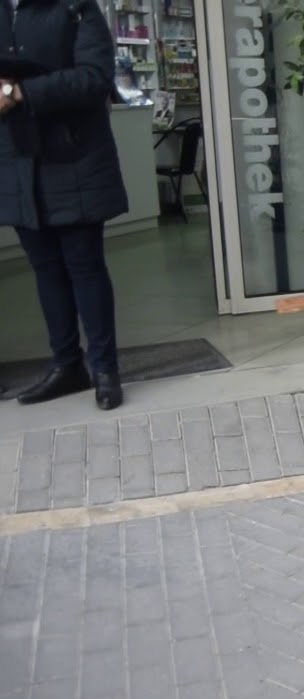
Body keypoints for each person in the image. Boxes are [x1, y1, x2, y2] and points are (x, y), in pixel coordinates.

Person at [1, 0, 128, 410]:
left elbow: (95, 78)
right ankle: (67, 366)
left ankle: (105, 369)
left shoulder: (74, 7)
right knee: (45, 268)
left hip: (74, 158)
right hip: (17, 161)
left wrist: (19, 91)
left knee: (84, 265)